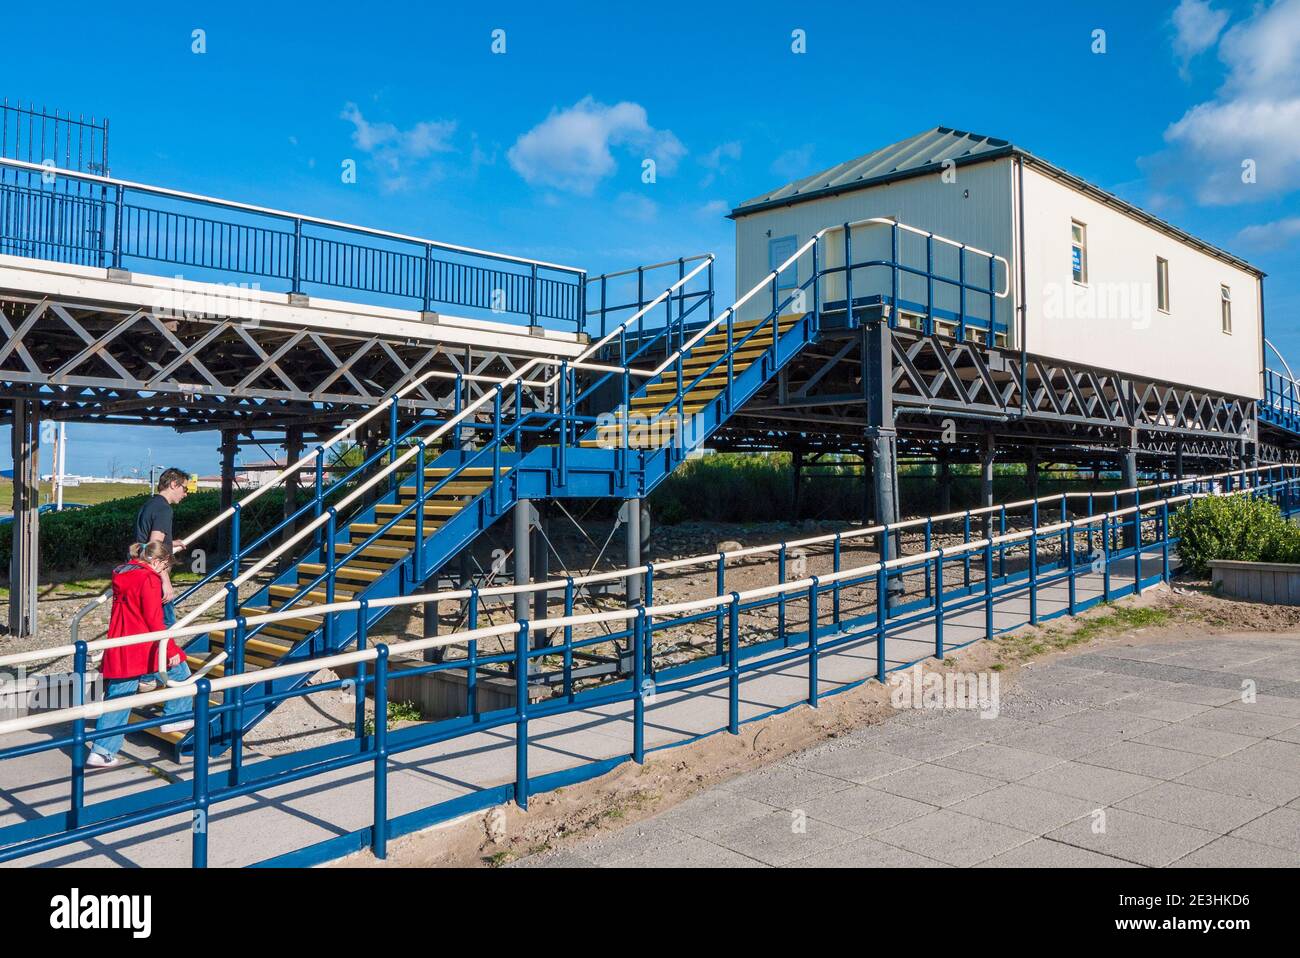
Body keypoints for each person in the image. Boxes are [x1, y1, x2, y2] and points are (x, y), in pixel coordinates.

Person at [87, 541, 194, 769]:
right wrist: (171, 648)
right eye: (164, 566)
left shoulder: (122, 572)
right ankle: (175, 718)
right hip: (144, 645)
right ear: (156, 562)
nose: (164, 571)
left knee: (119, 698)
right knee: (182, 672)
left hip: (121, 642)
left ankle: (102, 751)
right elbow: (155, 619)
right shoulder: (149, 579)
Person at [134, 468, 190, 627]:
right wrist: (165, 581)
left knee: (145, 626)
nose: (185, 494)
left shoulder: (149, 504)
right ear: (173, 484)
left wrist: (170, 542)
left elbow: (146, 539)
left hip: (140, 572)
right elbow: (154, 547)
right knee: (167, 625)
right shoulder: (165, 509)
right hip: (153, 576)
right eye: (184, 489)